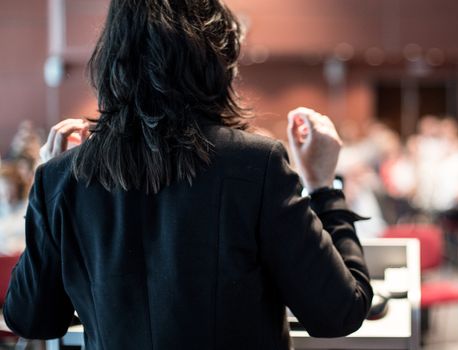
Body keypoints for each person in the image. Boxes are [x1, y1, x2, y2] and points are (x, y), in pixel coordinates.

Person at [3, 1, 372, 349]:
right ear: (218, 57)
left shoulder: (63, 178)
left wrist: (48, 189)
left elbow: (31, 319)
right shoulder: (256, 165)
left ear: (113, 54)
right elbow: (339, 312)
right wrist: (324, 188)